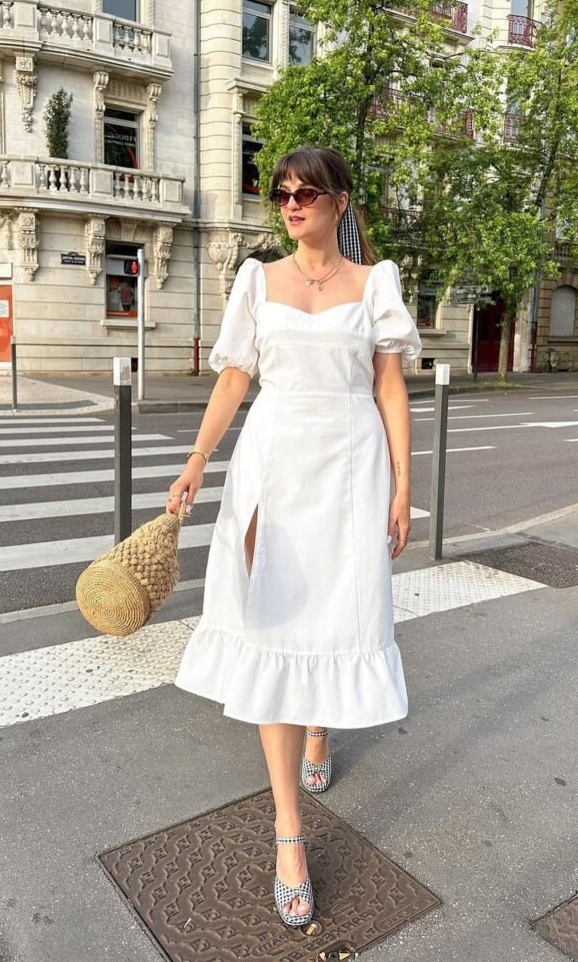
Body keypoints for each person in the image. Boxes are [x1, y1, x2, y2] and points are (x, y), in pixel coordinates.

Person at [167, 144, 422, 927]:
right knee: (272, 628)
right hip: (272, 470)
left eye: (307, 192)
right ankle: (289, 833)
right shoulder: (257, 278)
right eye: (281, 193)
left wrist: (403, 486)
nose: (291, 204)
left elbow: (388, 386)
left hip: (349, 470)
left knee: (335, 619)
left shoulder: (375, 283)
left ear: (340, 202)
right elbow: (235, 378)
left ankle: (321, 724)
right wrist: (198, 458)